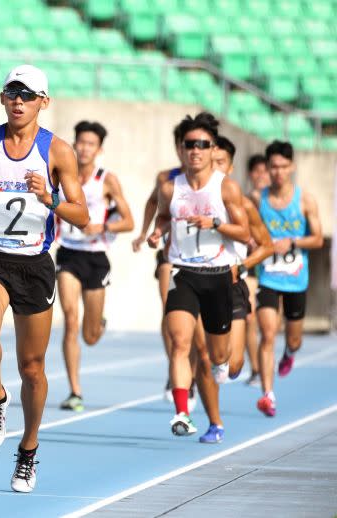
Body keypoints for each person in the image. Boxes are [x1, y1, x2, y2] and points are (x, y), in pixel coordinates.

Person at [0, 64, 88, 492]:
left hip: (34, 265)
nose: (18, 101)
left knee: (32, 368)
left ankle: (27, 450)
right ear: (2, 97)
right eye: (12, 93)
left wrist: (50, 198)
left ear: (43, 102)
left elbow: (82, 215)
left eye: (27, 95)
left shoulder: (58, 152)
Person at [148, 112, 250, 436]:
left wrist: (216, 224)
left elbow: (245, 232)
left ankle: (218, 367)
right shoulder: (170, 187)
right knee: (180, 342)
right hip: (184, 272)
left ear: (212, 148)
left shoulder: (227, 188)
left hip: (218, 274)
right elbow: (164, 216)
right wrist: (156, 232)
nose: (196, 150)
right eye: (190, 144)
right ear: (181, 148)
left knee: (220, 357)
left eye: (203, 144)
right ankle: (181, 412)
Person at [194, 136, 273, 443]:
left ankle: (228, 364)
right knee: (203, 354)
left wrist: (242, 265)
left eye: (220, 163)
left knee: (232, 363)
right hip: (199, 281)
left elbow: (266, 246)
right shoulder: (190, 196)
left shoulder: (242, 203)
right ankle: (215, 423)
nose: (213, 168)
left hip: (232, 285)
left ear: (229, 165)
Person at [56, 120, 134, 412]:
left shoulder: (107, 180)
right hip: (68, 254)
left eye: (91, 144)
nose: (85, 148)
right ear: (74, 144)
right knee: (70, 320)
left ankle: (98, 322)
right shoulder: (62, 174)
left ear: (98, 149)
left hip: (96, 257)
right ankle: (75, 391)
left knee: (89, 335)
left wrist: (100, 227)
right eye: (81, 142)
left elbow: (128, 221)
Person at [255, 140, 323, 417]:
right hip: (268, 277)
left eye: (283, 166)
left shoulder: (305, 200)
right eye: (273, 167)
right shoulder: (257, 199)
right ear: (267, 168)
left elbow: (318, 239)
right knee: (268, 333)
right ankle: (267, 395)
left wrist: (291, 242)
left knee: (293, 339)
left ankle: (290, 354)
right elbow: (247, 230)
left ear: (292, 167)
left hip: (296, 279)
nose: (278, 172)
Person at [131, 128, 197, 410]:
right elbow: (152, 203)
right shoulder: (166, 179)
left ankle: (190, 373)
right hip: (170, 254)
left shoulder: (210, 181)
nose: (187, 151)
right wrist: (145, 233)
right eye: (183, 145)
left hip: (202, 260)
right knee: (170, 309)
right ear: (178, 148)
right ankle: (177, 370)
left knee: (197, 324)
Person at [243, 153, 270, 386]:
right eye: (256, 171)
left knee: (271, 323)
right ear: (250, 175)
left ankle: (268, 357)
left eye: (265, 171)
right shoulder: (245, 201)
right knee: (249, 317)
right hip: (252, 265)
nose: (261, 176)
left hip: (275, 267)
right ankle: (254, 368)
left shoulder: (277, 202)